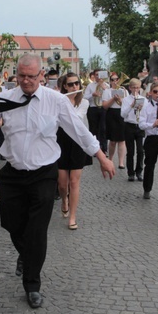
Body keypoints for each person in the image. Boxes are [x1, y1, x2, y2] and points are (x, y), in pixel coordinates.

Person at [0, 54, 115, 309]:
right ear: (16, 75)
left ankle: (32, 284)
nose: (27, 81)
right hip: (13, 172)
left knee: (37, 230)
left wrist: (101, 156)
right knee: (11, 222)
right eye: (22, 76)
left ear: (41, 75)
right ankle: (26, 254)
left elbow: (78, 130)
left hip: (44, 173)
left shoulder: (55, 101)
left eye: (32, 76)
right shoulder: (4, 99)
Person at [56, 72, 92, 230]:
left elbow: (76, 119)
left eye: (76, 83)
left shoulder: (84, 102)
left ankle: (72, 216)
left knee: (74, 182)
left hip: (77, 142)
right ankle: (64, 199)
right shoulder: (59, 101)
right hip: (61, 141)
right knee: (62, 184)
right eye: (70, 84)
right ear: (65, 86)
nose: (74, 87)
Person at [120, 78, 145, 182]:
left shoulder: (143, 99)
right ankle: (130, 173)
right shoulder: (126, 100)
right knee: (130, 151)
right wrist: (131, 105)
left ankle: (139, 171)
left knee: (140, 150)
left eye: (138, 88)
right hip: (129, 126)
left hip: (139, 126)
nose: (136, 90)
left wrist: (141, 108)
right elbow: (123, 114)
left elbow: (146, 114)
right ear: (130, 88)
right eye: (134, 88)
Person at [102, 72, 127, 170]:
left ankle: (121, 162)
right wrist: (113, 98)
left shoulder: (123, 90)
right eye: (112, 80)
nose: (115, 81)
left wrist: (120, 101)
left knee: (122, 140)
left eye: (116, 79)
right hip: (111, 114)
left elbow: (126, 105)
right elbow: (104, 106)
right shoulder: (107, 91)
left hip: (121, 114)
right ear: (110, 81)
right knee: (112, 141)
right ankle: (111, 159)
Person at [84, 69, 108, 154]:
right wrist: (92, 95)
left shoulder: (106, 86)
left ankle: (104, 148)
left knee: (103, 128)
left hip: (103, 108)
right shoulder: (90, 86)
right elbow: (85, 97)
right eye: (96, 75)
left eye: (100, 74)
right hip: (93, 108)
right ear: (94, 75)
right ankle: (94, 149)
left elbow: (108, 98)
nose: (98, 76)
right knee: (93, 129)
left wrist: (104, 89)